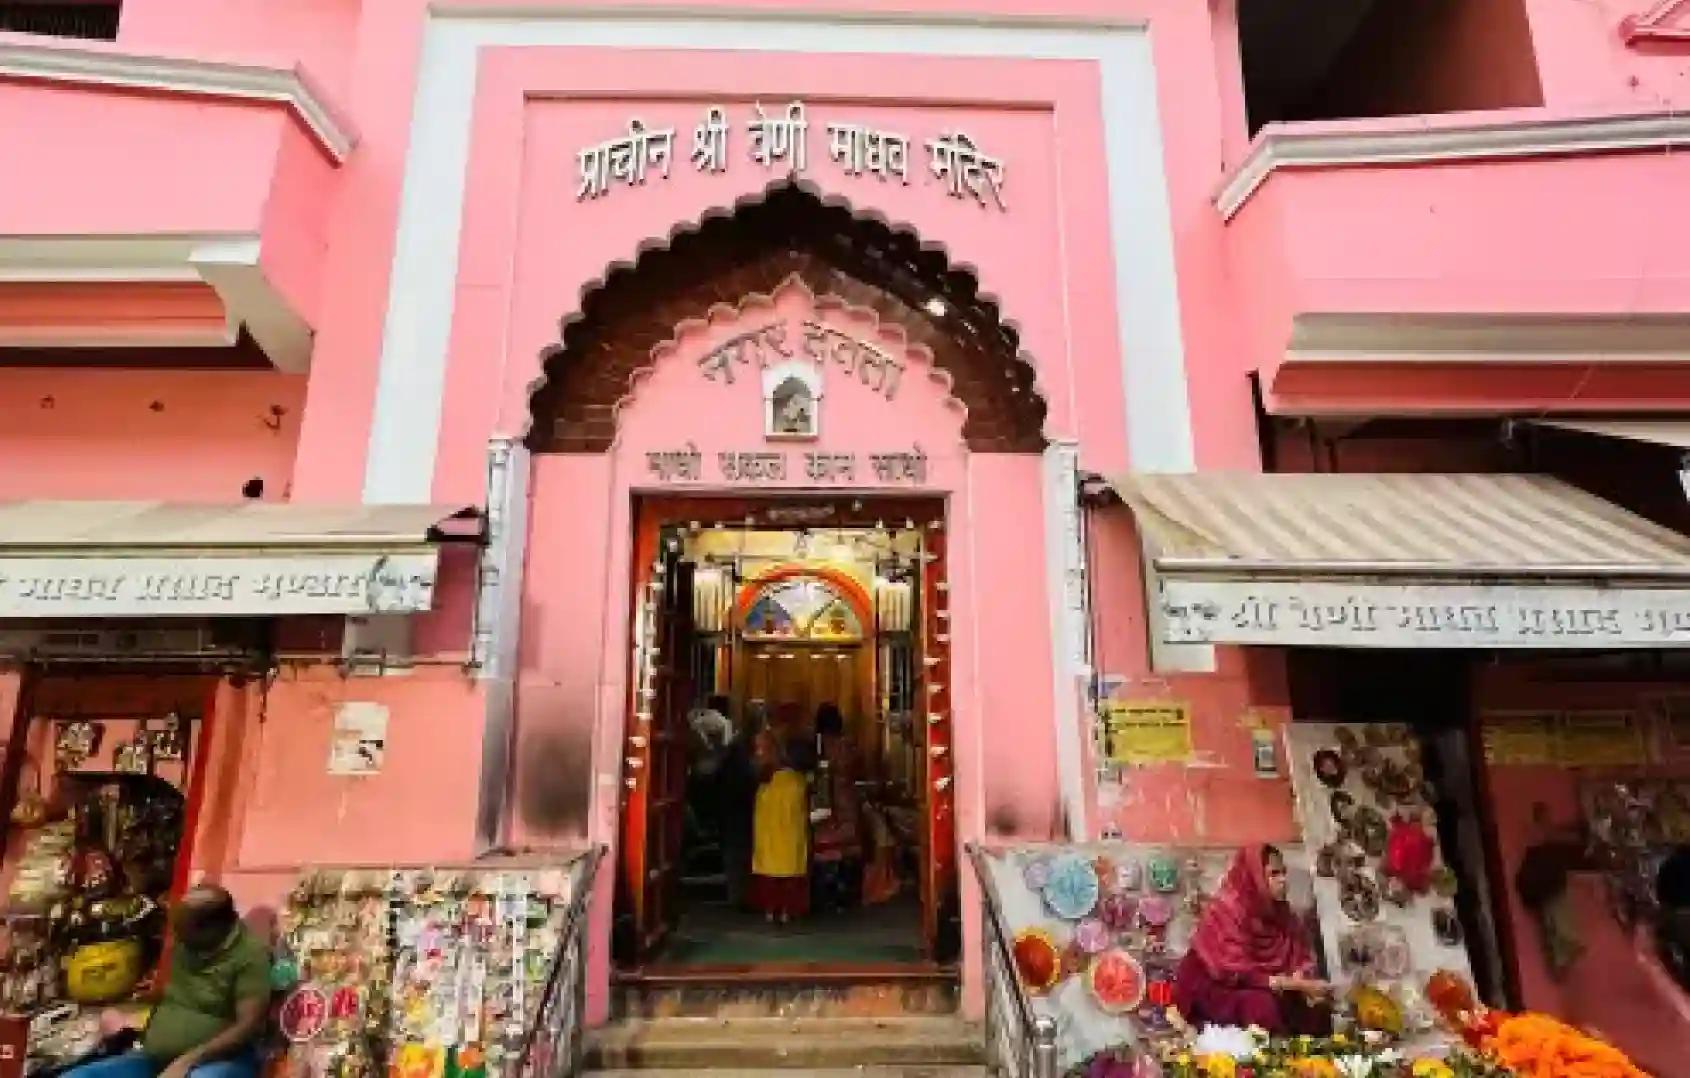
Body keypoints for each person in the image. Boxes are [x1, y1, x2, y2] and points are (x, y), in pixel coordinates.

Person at [70, 886, 270, 1078]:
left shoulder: (250, 956)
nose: (178, 935)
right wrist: (131, 1011)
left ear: (214, 927)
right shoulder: (188, 943)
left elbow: (247, 1026)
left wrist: (187, 1061)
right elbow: (177, 996)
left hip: (217, 1063)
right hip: (155, 1058)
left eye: (184, 929)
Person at [1173, 845, 1330, 1035]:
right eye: (1273, 874)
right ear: (1253, 877)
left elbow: (1298, 953)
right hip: (1218, 987)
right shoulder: (1226, 911)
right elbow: (1236, 973)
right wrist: (1294, 984)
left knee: (1316, 1010)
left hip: (1267, 983)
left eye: (1283, 873)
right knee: (1262, 1007)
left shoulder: (1281, 913)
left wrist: (1302, 976)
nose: (1283, 881)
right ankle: (1267, 1060)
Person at [1515, 801, 1590, 979]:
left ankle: (1560, 958)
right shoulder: (1542, 834)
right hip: (1545, 881)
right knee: (1556, 916)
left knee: (1552, 919)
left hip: (1545, 881)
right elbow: (1548, 840)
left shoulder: (1545, 834)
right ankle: (1562, 955)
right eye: (1544, 815)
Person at [750, 713, 810, 924]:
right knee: (789, 870)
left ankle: (772, 910)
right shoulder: (796, 782)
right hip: (787, 838)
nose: (757, 754)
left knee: (770, 872)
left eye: (760, 750)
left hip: (770, 838)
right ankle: (785, 911)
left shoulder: (766, 783)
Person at [810, 703, 863, 914]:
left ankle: (825, 896)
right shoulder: (848, 746)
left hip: (823, 800)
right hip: (846, 799)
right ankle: (844, 897)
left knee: (825, 847)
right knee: (846, 849)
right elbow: (858, 768)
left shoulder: (817, 746)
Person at [717, 700, 766, 909]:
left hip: (737, 803)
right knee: (741, 850)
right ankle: (741, 895)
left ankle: (741, 894)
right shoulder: (742, 745)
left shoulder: (738, 743)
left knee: (740, 850)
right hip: (741, 802)